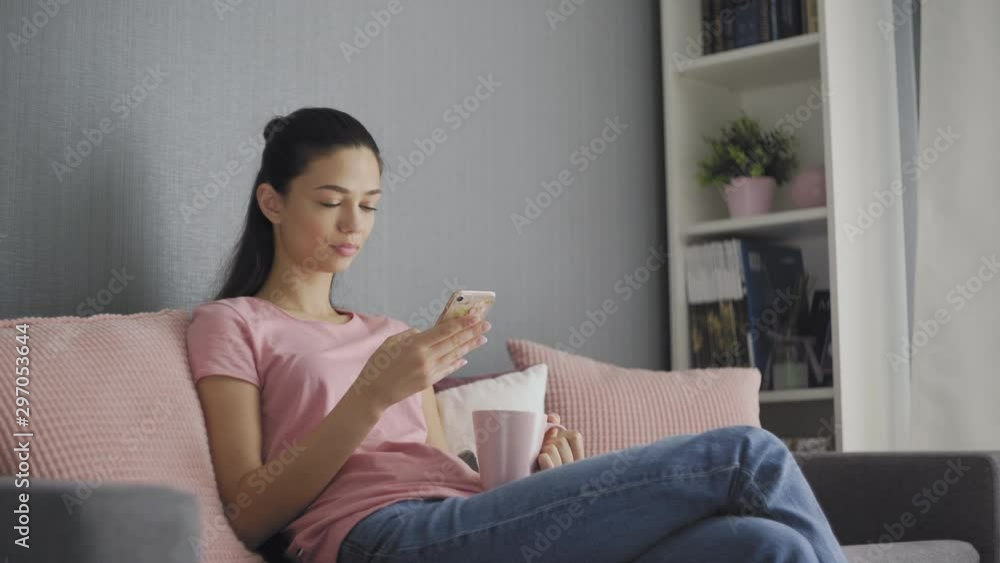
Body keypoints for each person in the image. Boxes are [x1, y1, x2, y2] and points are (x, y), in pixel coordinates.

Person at [186, 107, 849, 563]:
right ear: (272, 201)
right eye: (331, 202)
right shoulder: (234, 323)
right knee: (746, 455)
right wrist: (370, 395)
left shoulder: (391, 334)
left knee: (768, 546)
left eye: (369, 205)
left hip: (464, 525)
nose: (352, 224)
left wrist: (535, 478)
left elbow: (449, 476)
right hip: (378, 536)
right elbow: (248, 511)